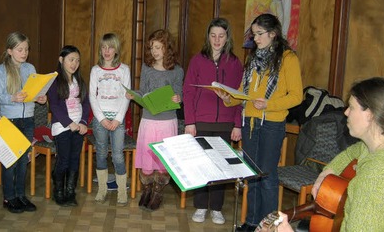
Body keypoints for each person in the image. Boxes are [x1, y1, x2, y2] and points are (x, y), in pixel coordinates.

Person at [259, 77, 384, 232]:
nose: (345, 112)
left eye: (351, 107)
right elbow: (353, 151)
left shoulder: (377, 177)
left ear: (370, 116)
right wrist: (326, 173)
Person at [216, 13, 303, 231]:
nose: (255, 39)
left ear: (273, 34)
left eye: (259, 34)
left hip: (272, 124)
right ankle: (252, 222)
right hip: (250, 122)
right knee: (251, 175)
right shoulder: (253, 58)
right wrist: (229, 99)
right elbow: (246, 95)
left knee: (267, 175)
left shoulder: (288, 59)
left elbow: (296, 96)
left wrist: (269, 104)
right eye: (253, 34)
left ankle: (269, 226)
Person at [182, 18, 243, 224]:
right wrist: (190, 122)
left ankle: (216, 207)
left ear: (227, 38)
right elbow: (188, 93)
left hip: (225, 124)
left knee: (220, 166)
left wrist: (237, 124)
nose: (217, 40)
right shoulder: (197, 60)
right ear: (208, 37)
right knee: (200, 164)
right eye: (213, 35)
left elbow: (239, 97)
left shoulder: (235, 63)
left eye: (221, 36)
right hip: (200, 122)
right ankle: (200, 206)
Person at [126, 29, 183, 211]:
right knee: (147, 156)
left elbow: (179, 94)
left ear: (167, 47)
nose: (155, 51)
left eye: (158, 47)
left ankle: (158, 192)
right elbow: (143, 91)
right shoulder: (146, 68)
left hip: (167, 121)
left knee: (163, 158)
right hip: (149, 120)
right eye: (152, 48)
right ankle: (148, 189)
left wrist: (177, 98)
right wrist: (134, 95)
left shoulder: (177, 70)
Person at [0, 32, 46, 213]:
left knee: (24, 161)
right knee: (11, 162)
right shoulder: (2, 70)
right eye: (20, 49)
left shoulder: (30, 68)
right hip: (9, 121)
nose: (24, 53)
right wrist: (12, 97)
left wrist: (40, 98)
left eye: (26, 49)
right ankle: (9, 197)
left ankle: (21, 195)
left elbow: (35, 90)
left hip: (28, 119)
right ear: (9, 50)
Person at [89, 33, 132, 206]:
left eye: (110, 47)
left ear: (116, 49)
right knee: (100, 153)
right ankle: (102, 189)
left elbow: (126, 96)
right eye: (104, 47)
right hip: (100, 120)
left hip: (118, 120)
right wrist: (101, 119)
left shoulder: (124, 70)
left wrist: (118, 119)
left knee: (117, 156)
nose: (107, 51)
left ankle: (122, 191)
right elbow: (92, 96)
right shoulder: (95, 70)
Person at [46, 45, 90, 207]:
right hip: (62, 127)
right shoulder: (55, 81)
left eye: (77, 60)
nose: (74, 64)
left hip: (79, 126)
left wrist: (83, 122)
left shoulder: (80, 81)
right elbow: (55, 107)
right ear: (61, 60)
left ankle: (70, 191)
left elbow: (86, 104)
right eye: (71, 60)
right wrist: (68, 123)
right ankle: (59, 191)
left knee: (74, 159)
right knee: (63, 160)